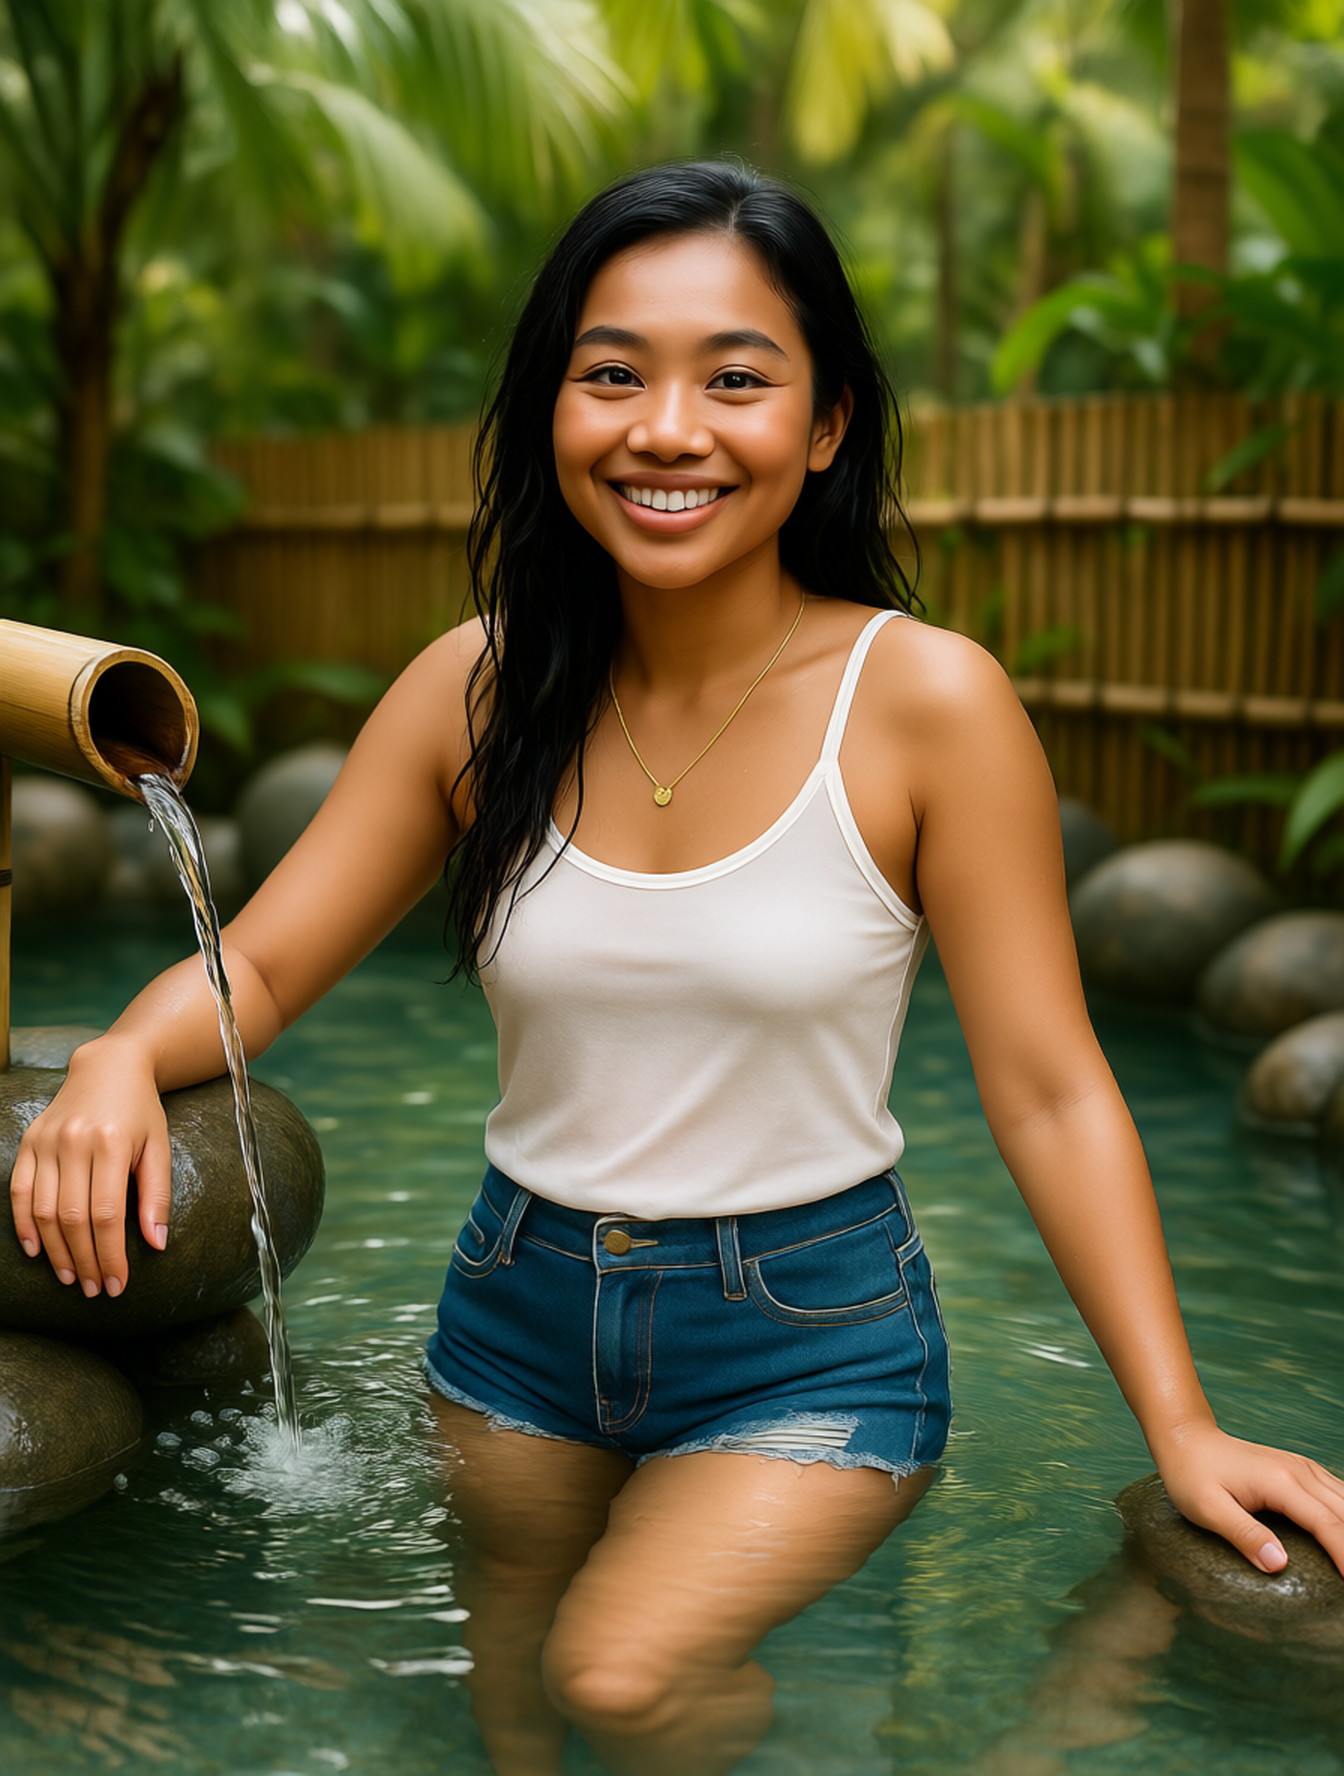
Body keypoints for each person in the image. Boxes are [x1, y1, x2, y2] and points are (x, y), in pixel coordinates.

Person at [9, 161, 1344, 1776]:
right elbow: (263, 965)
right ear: (552, 405)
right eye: (613, 373)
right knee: (513, 1721)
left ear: (827, 422)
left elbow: (1053, 1089)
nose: (667, 429)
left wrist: (1182, 1427)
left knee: (626, 1679)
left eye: (736, 378)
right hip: (515, 1313)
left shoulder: (927, 703)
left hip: (812, 1329)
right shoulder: (476, 690)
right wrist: (108, 1062)